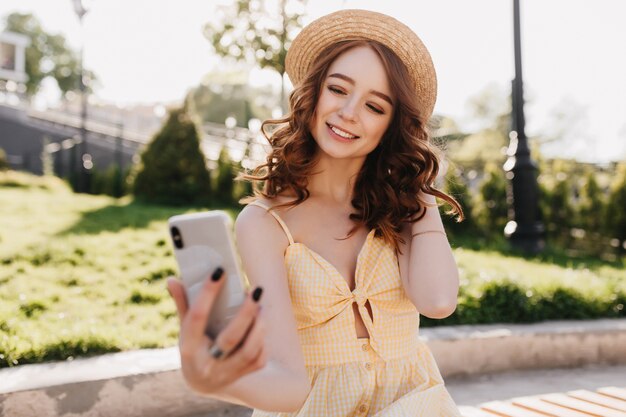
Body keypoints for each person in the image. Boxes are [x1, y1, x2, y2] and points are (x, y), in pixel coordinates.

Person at [167, 8, 464, 416]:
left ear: (392, 126)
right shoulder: (265, 224)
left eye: (375, 107)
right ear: (314, 92)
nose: (349, 112)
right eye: (338, 89)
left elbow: (438, 300)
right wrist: (210, 378)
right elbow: (289, 389)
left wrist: (417, 186)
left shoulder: (400, 209)